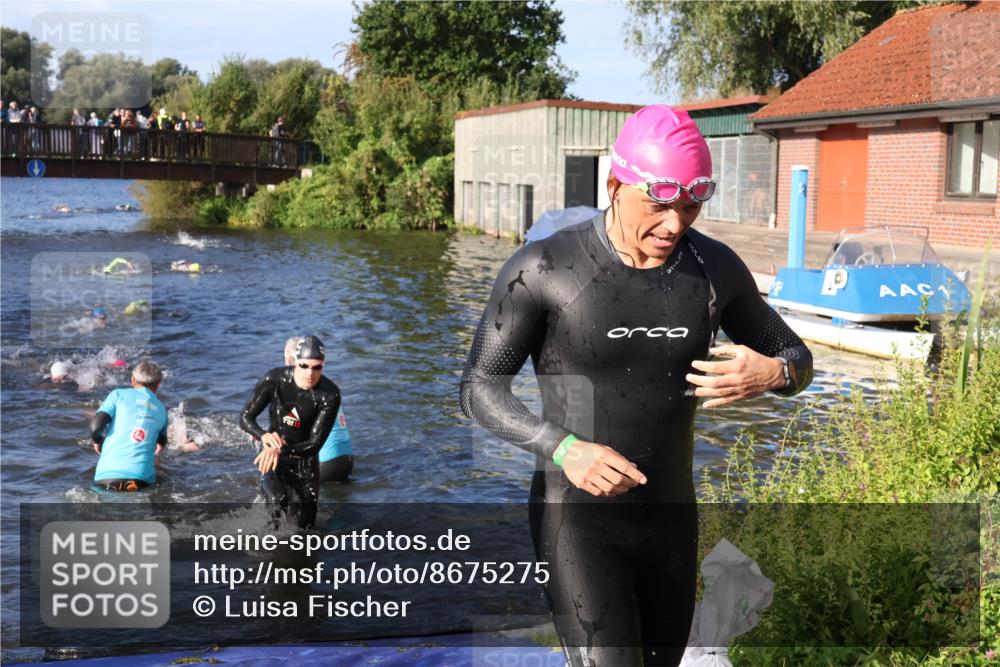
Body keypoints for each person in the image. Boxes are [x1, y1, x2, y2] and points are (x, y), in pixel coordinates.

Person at [460, 105, 813, 667]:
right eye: (659, 203)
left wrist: (775, 373)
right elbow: (479, 389)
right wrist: (563, 447)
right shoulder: (546, 267)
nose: (675, 224)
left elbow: (797, 355)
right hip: (574, 516)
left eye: (692, 206)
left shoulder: (713, 268)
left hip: (670, 516)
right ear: (615, 185)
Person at [239, 335, 341, 529]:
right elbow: (245, 417)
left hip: (305, 462)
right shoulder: (274, 380)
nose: (310, 373)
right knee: (278, 501)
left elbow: (315, 444)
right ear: (294, 362)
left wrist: (280, 449)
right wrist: (264, 436)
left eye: (316, 367)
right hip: (273, 458)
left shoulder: (329, 395)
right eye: (304, 366)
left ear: (323, 366)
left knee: (306, 525)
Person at [89, 361, 168, 492]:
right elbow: (161, 442)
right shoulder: (162, 410)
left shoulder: (117, 395)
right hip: (142, 480)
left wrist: (97, 441)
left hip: (108, 476)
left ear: (132, 380)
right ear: (158, 385)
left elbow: (96, 427)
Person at [283, 337, 353, 482]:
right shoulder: (325, 386)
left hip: (325, 464)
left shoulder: (300, 388)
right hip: (347, 459)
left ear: (292, 362)